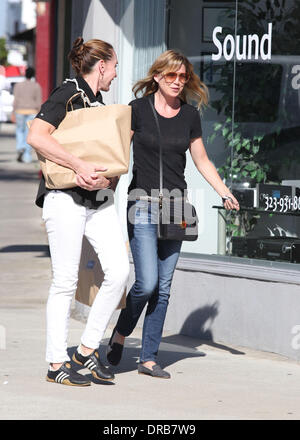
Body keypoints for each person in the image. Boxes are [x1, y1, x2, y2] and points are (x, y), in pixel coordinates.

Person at [106, 49, 240, 379]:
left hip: (178, 206)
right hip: (142, 203)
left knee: (163, 288)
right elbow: (121, 156)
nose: (178, 82)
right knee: (147, 283)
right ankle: (121, 332)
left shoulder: (190, 116)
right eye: (171, 76)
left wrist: (223, 191)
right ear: (157, 77)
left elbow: (202, 160)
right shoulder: (137, 110)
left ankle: (148, 358)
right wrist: (103, 194)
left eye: (183, 77)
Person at [27, 37, 130, 387]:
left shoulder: (96, 101)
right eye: (114, 66)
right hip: (64, 198)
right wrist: (78, 165)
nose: (116, 74)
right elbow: (36, 135)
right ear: (101, 66)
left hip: (97, 202)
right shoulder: (67, 93)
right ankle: (56, 363)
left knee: (118, 272)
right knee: (65, 282)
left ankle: (85, 349)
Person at [12, 67, 42, 163]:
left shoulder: (18, 85)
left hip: (19, 110)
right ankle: (27, 156)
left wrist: (13, 112)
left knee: (19, 130)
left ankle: (20, 147)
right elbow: (38, 101)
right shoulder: (36, 86)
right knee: (29, 133)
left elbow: (15, 100)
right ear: (33, 75)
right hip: (32, 111)